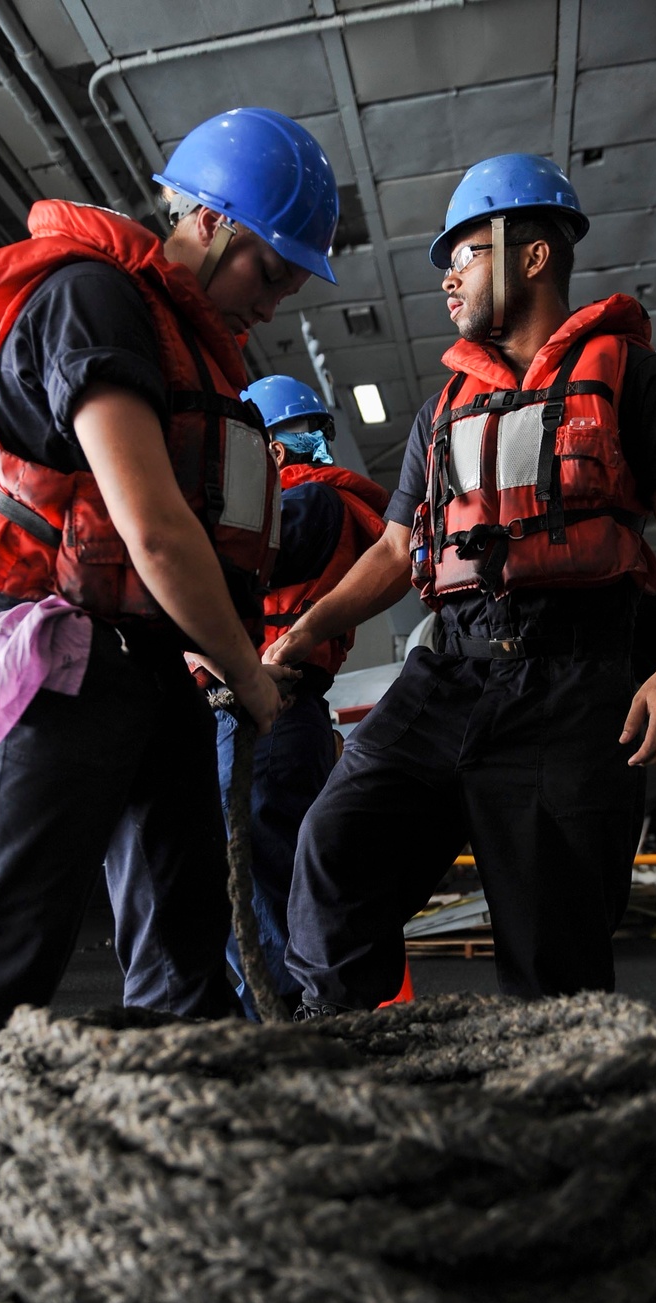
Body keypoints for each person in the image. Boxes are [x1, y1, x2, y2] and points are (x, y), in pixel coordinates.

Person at [0, 107, 339, 1303]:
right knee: (1, 938)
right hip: (51, 657)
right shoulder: (95, 303)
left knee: (181, 944)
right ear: (207, 219)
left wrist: (209, 662)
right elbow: (154, 528)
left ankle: (166, 1204)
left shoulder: (197, 352)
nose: (273, 299)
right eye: (271, 265)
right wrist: (256, 682)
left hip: (149, 667)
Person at [266, 153, 656, 1017]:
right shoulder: (442, 411)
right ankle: (349, 1068)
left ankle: (557, 1135)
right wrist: (299, 632)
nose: (449, 277)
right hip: (450, 675)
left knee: (552, 955)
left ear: (533, 253)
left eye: (466, 253)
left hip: (576, 682)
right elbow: (395, 548)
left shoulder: (642, 381)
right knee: (335, 847)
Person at [213, 375, 387, 1014]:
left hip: (267, 710)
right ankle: (269, 1022)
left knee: (259, 876)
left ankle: (283, 1026)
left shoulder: (311, 506)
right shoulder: (318, 503)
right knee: (255, 874)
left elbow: (231, 565)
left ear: (271, 451)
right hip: (268, 711)